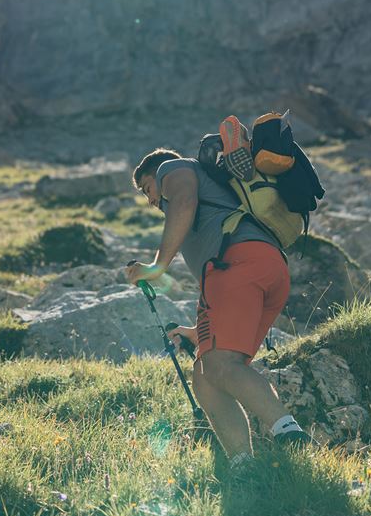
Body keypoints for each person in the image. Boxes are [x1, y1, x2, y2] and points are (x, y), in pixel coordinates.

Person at [125, 144, 311, 477]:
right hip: (266, 269)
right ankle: (243, 467)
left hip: (234, 265)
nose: (150, 199)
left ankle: (289, 432)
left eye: (146, 189)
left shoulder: (173, 169)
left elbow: (184, 202)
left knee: (220, 364)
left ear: (157, 174)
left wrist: (156, 268)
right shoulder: (211, 184)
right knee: (206, 372)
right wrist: (196, 334)